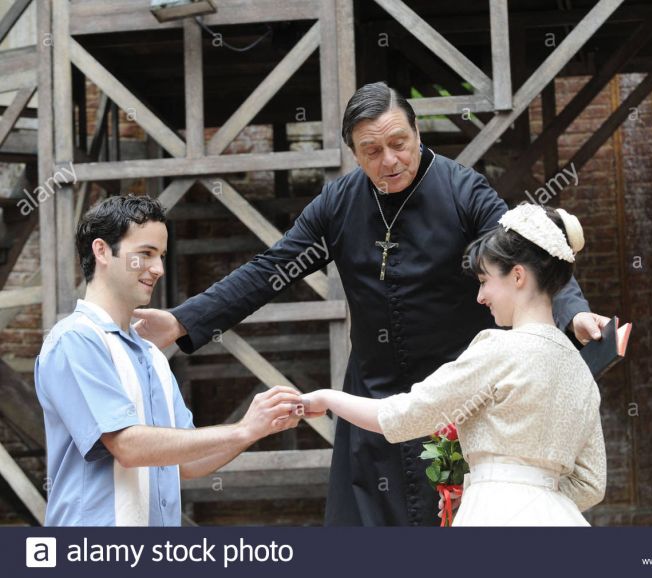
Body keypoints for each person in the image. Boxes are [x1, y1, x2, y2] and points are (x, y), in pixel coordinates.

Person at [132, 82, 609, 526]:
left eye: (399, 143)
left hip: (453, 397)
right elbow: (269, 270)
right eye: (372, 151)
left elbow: (522, 251)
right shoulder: (338, 204)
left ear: (417, 132)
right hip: (370, 400)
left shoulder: (462, 190)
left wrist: (573, 313)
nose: (390, 160)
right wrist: (181, 321)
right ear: (354, 154)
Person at [299, 204, 606, 526]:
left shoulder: (499, 349)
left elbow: (404, 416)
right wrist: (530, 494)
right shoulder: (579, 368)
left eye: (484, 280)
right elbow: (591, 484)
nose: (480, 296)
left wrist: (326, 398)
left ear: (518, 276)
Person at [34, 195, 301, 526]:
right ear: (101, 251)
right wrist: (240, 429)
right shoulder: (75, 340)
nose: (159, 269)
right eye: (145, 254)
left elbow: (187, 463)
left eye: (160, 256)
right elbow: (128, 446)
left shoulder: (151, 354)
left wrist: (255, 429)